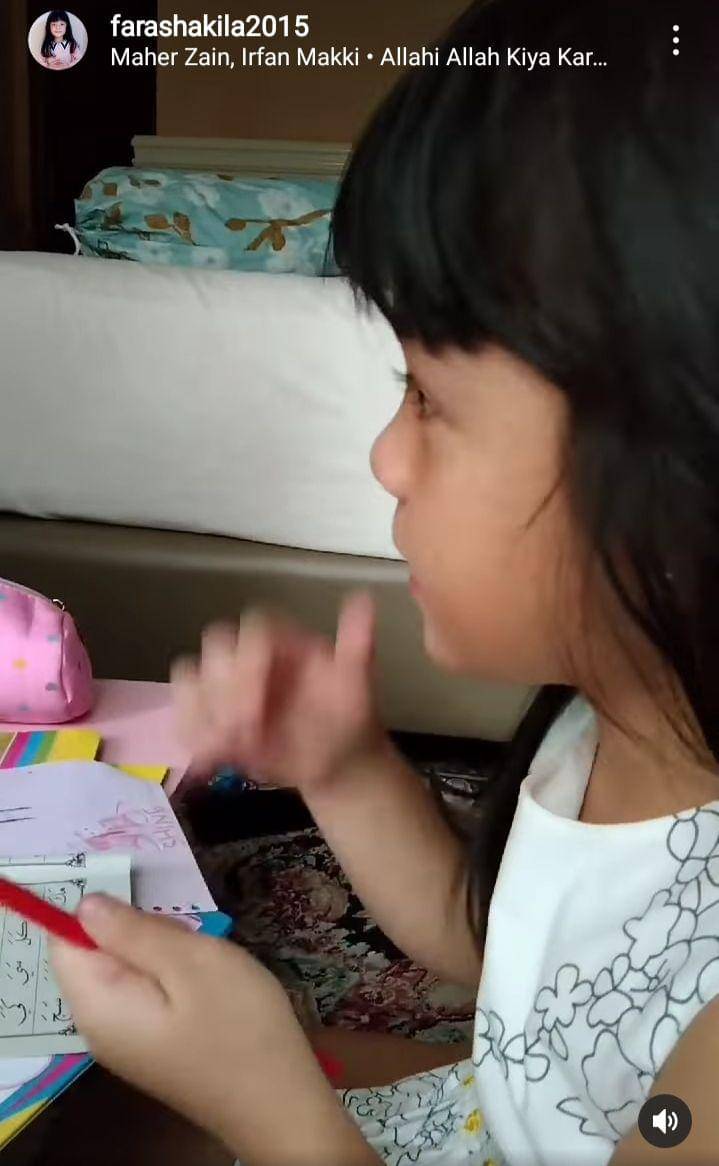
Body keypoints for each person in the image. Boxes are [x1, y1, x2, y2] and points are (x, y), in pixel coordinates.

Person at [50, 0, 719, 1162]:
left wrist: (273, 1108)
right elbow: (501, 950)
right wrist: (346, 766)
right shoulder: (619, 708)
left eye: (432, 401)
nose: (386, 458)